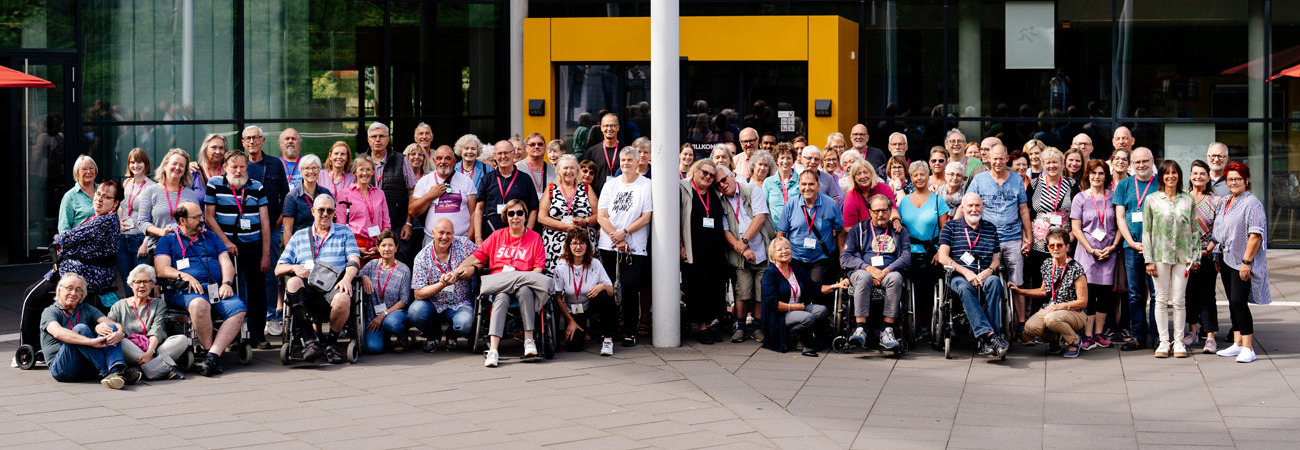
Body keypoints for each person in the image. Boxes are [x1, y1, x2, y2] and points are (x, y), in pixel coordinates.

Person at [446, 200, 550, 367]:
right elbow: (476, 257)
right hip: (500, 283)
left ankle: (529, 340)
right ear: (506, 217)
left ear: (525, 216)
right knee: (500, 297)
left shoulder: (534, 238)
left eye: (519, 213)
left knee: (524, 291)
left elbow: (538, 269)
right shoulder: (496, 237)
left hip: (524, 284)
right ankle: (494, 350)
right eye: (511, 214)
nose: (515, 217)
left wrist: (521, 280)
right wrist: (456, 272)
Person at [154, 201, 246, 376]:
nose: (202, 220)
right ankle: (209, 350)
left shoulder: (211, 237)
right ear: (182, 220)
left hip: (215, 287)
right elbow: (162, 269)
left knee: (238, 311)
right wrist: (187, 276)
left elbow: (226, 262)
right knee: (199, 305)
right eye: (196, 217)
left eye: (201, 216)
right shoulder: (168, 240)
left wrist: (227, 283)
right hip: (185, 290)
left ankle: (212, 356)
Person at [275, 194, 363, 364]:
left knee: (344, 297)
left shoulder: (344, 233)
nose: (325, 214)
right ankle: (310, 339)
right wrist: (294, 267)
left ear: (335, 212)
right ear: (313, 211)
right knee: (292, 282)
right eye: (321, 210)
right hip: (307, 286)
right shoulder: (299, 236)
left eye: (329, 210)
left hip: (334, 284)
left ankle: (331, 343)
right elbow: (278, 268)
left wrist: (347, 279)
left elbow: (354, 260)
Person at [204, 151, 272, 349]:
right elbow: (209, 217)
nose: (239, 170)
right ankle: (232, 335)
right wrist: (225, 242)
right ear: (225, 167)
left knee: (257, 290)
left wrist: (266, 253)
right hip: (225, 248)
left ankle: (258, 335)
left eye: (243, 166)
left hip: (253, 246)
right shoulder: (215, 184)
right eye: (234, 167)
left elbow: (265, 221)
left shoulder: (256, 186)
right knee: (228, 289)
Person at [936, 193, 1009, 358]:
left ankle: (989, 339)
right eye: (970, 205)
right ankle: (990, 337)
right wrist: (966, 272)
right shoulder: (951, 227)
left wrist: (988, 271)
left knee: (995, 282)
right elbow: (943, 257)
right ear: (962, 208)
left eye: (977, 205)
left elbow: (996, 260)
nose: (974, 209)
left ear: (982, 207)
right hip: (959, 276)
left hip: (984, 274)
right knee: (964, 286)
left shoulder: (990, 228)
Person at [1212, 162, 1269, 363]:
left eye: (1238, 179)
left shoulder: (1252, 203)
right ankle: (1237, 343)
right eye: (1230, 179)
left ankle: (1248, 347)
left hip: (1241, 260)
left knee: (1239, 302)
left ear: (1246, 180)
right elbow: (1221, 230)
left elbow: (1255, 235)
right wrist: (1217, 255)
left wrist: (1246, 262)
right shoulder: (1227, 200)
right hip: (1227, 258)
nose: (1233, 182)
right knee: (1232, 302)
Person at [596, 147, 654, 346]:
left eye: (630, 160)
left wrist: (625, 233)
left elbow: (646, 216)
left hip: (634, 246)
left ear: (638, 161)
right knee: (609, 287)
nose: (626, 163)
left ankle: (630, 330)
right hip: (609, 245)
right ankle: (609, 331)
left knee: (630, 288)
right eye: (623, 160)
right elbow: (601, 216)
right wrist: (616, 236)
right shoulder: (610, 185)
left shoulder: (646, 185)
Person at [966, 144, 1030, 322]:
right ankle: (987, 323)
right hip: (986, 239)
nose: (998, 162)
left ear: (1007, 158)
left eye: (1001, 158)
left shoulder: (1016, 179)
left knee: (1018, 282)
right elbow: (968, 204)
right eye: (994, 158)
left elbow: (1024, 210)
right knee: (987, 282)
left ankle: (1022, 324)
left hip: (1013, 238)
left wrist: (1029, 237)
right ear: (989, 159)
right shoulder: (979, 180)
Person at [1141, 160, 1198, 358]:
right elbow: (1146, 231)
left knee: (1179, 300)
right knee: (1161, 300)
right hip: (1159, 256)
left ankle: (1179, 342)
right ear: (1161, 176)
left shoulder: (1188, 199)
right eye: (1167, 173)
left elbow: (1194, 229)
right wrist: (1148, 259)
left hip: (1183, 256)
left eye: (1174, 173)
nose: (1171, 176)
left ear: (1179, 176)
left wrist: (1195, 256)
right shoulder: (1152, 199)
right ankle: (1164, 342)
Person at [41, 273, 137, 388]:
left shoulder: (86, 309)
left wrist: (120, 333)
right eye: (69, 288)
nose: (73, 293)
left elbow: (114, 324)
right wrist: (90, 342)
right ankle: (112, 373)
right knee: (80, 329)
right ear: (59, 290)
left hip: (88, 367)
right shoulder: (50, 311)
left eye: (78, 290)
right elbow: (58, 332)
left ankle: (116, 371)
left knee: (110, 328)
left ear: (82, 294)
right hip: (63, 369)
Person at [1021, 147, 1076, 341]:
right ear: (1042, 165)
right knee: (1040, 284)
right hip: (1039, 244)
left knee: (1063, 286)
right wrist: (1026, 237)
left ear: (1062, 164)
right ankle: (1038, 328)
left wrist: (1072, 235)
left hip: (1064, 242)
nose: (1052, 166)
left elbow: (1077, 213)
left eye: (1055, 162)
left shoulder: (1071, 184)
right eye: (1048, 163)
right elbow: (1026, 211)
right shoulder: (1034, 184)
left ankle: (1059, 327)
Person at [759, 237, 848, 357]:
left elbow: (815, 288)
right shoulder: (770, 273)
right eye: (780, 250)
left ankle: (813, 339)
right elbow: (772, 304)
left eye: (787, 248)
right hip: (779, 314)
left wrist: (837, 285)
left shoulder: (795, 269)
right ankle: (788, 337)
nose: (785, 251)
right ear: (773, 255)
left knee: (822, 311)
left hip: (798, 308)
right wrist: (794, 307)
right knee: (808, 318)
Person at [842, 194, 910, 350]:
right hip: (863, 271)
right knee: (864, 277)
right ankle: (860, 329)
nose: (880, 214)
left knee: (896, 278)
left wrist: (885, 271)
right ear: (870, 211)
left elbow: (906, 257)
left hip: (888, 272)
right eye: (876, 211)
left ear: (890, 211)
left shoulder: (899, 231)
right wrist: (868, 269)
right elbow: (845, 257)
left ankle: (887, 330)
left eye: (884, 210)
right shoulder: (858, 230)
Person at [1010, 229, 1088, 358]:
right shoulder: (1047, 265)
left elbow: (1083, 301)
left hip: (1075, 312)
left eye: (1059, 245)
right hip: (1052, 309)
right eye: (1052, 245)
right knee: (1030, 327)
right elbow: (1043, 291)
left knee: (1051, 319)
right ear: (1048, 247)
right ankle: (1053, 338)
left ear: (1067, 247)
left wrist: (1059, 306)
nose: (1055, 249)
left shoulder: (1076, 268)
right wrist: (1020, 291)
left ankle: (1074, 340)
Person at [717, 166, 773, 343]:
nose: (722, 185)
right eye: (718, 184)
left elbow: (760, 217)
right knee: (742, 292)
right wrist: (742, 248)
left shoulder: (752, 190)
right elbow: (725, 231)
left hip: (761, 250)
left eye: (724, 180)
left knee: (760, 293)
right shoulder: (721, 200)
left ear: (732, 176)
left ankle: (757, 328)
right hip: (740, 255)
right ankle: (740, 327)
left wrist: (745, 241)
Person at [1070, 160, 1120, 351]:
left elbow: (1119, 224)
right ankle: (1088, 334)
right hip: (1087, 253)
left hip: (1108, 252)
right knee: (1088, 294)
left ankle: (1099, 333)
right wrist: (1090, 249)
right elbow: (1076, 227)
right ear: (1088, 176)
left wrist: (1113, 246)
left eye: (1100, 173)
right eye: (1093, 173)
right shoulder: (1080, 198)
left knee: (1105, 294)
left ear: (1106, 176)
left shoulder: (1114, 197)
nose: (1097, 177)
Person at [53, 180, 125, 312]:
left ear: (115, 203)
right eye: (98, 194)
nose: (99, 199)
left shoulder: (102, 222)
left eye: (106, 197)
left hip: (87, 273)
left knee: (32, 296)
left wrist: (58, 239)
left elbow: (65, 239)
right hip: (93, 272)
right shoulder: (106, 218)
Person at [775, 169, 843, 307]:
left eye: (811, 184)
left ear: (818, 185)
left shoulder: (831, 204)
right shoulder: (791, 204)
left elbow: (840, 230)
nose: (807, 188)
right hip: (795, 257)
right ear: (798, 186)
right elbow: (781, 233)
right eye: (803, 184)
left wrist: (842, 254)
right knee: (797, 290)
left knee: (815, 288)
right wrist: (778, 258)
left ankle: (817, 319)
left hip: (820, 257)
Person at [898, 161, 950, 338]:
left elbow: (945, 229)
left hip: (931, 252)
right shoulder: (904, 201)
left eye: (922, 174)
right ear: (910, 179)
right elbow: (897, 223)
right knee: (909, 287)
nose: (919, 178)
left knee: (928, 288)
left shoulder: (938, 200)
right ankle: (912, 323)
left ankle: (928, 324)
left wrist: (940, 251)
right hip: (908, 252)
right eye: (915, 175)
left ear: (928, 176)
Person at [1113, 147, 1157, 351]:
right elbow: (1120, 217)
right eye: (1137, 162)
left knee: (1158, 294)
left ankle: (1158, 336)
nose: (1141, 165)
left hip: (1157, 248)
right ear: (1131, 164)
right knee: (1135, 294)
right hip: (1131, 247)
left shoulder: (1160, 183)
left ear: (1152, 161)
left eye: (1145, 161)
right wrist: (1130, 242)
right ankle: (1138, 336)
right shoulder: (1124, 185)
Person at [680, 159, 729, 344]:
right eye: (704, 172)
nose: (707, 177)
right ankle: (701, 327)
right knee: (698, 288)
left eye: (711, 175)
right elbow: (677, 219)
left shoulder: (715, 192)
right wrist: (680, 245)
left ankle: (709, 324)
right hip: (695, 249)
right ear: (695, 170)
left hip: (715, 250)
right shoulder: (684, 188)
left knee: (713, 289)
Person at [411, 219, 478, 352]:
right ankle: (433, 335)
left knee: (465, 324)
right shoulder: (422, 257)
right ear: (433, 233)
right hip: (433, 304)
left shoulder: (464, 244)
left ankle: (451, 335)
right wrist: (441, 284)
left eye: (449, 233)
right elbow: (418, 293)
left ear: (454, 234)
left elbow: (483, 256)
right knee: (415, 312)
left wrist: (474, 268)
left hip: (459, 302)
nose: (444, 237)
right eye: (441, 233)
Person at [109, 265, 191, 367]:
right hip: (130, 349)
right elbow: (109, 325)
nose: (142, 285)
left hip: (154, 348)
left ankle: (145, 366)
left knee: (182, 340)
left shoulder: (158, 304)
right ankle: (157, 366)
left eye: (146, 282)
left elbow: (157, 329)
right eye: (138, 282)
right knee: (121, 341)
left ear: (152, 284)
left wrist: (149, 352)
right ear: (131, 284)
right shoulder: (119, 305)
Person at [552, 230, 618, 355]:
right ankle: (578, 327)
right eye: (574, 243)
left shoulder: (595, 264)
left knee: (603, 296)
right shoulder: (561, 267)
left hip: (589, 305)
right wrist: (571, 321)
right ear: (568, 246)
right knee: (574, 346)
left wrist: (602, 286)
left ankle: (608, 339)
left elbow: (611, 291)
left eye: (582, 243)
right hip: (572, 310)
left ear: (587, 246)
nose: (578, 247)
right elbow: (558, 298)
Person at [538, 154, 599, 272]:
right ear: (558, 170)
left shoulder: (586, 188)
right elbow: (541, 217)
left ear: (577, 170)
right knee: (557, 279)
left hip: (583, 242)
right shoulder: (551, 189)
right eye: (565, 168)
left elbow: (598, 216)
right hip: (555, 243)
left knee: (584, 276)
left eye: (572, 168)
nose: (569, 171)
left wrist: (585, 221)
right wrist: (565, 227)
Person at [136, 149, 200, 259]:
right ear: (165, 166)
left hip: (187, 250)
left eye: (182, 165)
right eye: (174, 163)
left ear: (185, 170)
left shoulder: (191, 195)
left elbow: (198, 220)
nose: (177, 168)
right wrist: (160, 232)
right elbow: (142, 222)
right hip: (158, 249)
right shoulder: (150, 191)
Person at [1185, 160, 1221, 353]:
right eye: (1195, 173)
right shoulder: (1182, 197)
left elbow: (1219, 229)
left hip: (1207, 254)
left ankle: (1210, 336)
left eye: (1202, 174)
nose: (1198, 176)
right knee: (1188, 294)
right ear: (1190, 176)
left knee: (1207, 296)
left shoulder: (1216, 201)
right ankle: (1192, 333)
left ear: (1208, 178)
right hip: (1185, 256)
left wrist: (1208, 251)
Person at [364, 122, 418, 251]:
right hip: (368, 227)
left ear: (388, 139)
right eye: (374, 136)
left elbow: (413, 193)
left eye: (381, 136)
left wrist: (408, 223)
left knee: (398, 264)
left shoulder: (401, 160)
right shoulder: (361, 161)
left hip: (397, 225)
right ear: (368, 140)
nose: (378, 139)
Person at [411, 145, 477, 246]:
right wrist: (430, 196)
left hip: (461, 239)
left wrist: (469, 238)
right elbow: (412, 211)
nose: (443, 162)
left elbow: (474, 213)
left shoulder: (466, 181)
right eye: (439, 158)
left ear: (454, 161)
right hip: (432, 240)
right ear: (434, 161)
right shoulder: (425, 181)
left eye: (447, 158)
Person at [359, 232, 413, 353]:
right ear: (378, 247)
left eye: (390, 245)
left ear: (396, 247)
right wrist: (363, 277)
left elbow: (404, 300)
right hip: (374, 317)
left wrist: (383, 315)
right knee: (373, 348)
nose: (387, 249)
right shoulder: (372, 265)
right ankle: (385, 337)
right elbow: (356, 274)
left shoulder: (404, 270)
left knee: (391, 322)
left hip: (394, 314)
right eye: (383, 245)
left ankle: (403, 337)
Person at [475, 140, 539, 242]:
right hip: (491, 235)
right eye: (499, 153)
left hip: (519, 236)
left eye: (506, 153)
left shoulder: (525, 179)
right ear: (494, 156)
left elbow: (534, 209)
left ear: (513, 154)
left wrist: (528, 233)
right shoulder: (487, 179)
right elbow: (479, 209)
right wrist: (478, 238)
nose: (503, 156)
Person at [118, 148, 154, 294]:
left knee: (143, 283)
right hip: (123, 238)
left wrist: (146, 243)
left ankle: (145, 315)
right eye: (132, 162)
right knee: (128, 284)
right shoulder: (126, 183)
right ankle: (130, 316)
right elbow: (120, 207)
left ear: (145, 164)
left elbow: (153, 218)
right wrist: (119, 222)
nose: (135, 166)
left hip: (140, 240)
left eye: (139, 162)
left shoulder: (152, 187)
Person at [342, 155, 391, 259]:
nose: (365, 173)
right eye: (361, 169)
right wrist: (354, 248)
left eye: (368, 169)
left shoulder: (379, 194)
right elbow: (340, 225)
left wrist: (381, 245)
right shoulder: (345, 194)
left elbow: (386, 223)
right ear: (355, 172)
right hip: (355, 244)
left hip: (378, 244)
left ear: (373, 172)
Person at [281, 154, 332, 248]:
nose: (311, 171)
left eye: (314, 168)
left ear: (319, 170)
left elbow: (332, 221)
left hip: (324, 244)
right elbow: (287, 230)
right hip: (301, 246)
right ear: (301, 171)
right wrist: (290, 255)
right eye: (306, 168)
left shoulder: (326, 193)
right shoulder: (292, 197)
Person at [840, 161, 897, 230]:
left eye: (866, 172)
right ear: (854, 178)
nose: (863, 176)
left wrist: (896, 220)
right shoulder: (851, 196)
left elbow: (893, 209)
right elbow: (848, 227)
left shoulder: (884, 188)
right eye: (858, 174)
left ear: (871, 173)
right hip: (863, 235)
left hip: (886, 231)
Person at [58, 155, 99, 233]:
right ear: (77, 172)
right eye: (84, 169)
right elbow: (64, 228)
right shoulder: (70, 197)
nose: (88, 172)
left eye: (91, 168)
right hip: (81, 243)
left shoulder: (103, 192)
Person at [584, 113, 623, 194]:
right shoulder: (592, 152)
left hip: (620, 196)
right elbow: (584, 176)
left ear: (618, 127)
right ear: (601, 128)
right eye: (606, 126)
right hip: (597, 197)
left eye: (612, 125)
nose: (609, 129)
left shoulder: (625, 151)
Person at [763, 144, 800, 224]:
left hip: (796, 229)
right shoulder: (768, 182)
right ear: (776, 160)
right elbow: (763, 207)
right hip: (774, 230)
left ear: (793, 160)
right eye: (782, 158)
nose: (785, 161)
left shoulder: (801, 180)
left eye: (789, 158)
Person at [517, 132, 557, 199]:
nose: (536, 147)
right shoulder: (517, 168)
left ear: (545, 147)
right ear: (526, 148)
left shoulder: (554, 170)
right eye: (532, 144)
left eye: (540, 144)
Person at [191, 134, 228, 199]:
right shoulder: (195, 171)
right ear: (205, 150)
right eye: (213, 147)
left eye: (221, 148)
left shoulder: (229, 172)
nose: (218, 151)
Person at [323, 141, 357, 207]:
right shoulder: (321, 175)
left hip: (346, 215)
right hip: (325, 214)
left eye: (343, 154)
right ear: (330, 156)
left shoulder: (353, 178)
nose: (339, 157)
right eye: (336, 153)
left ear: (347, 158)